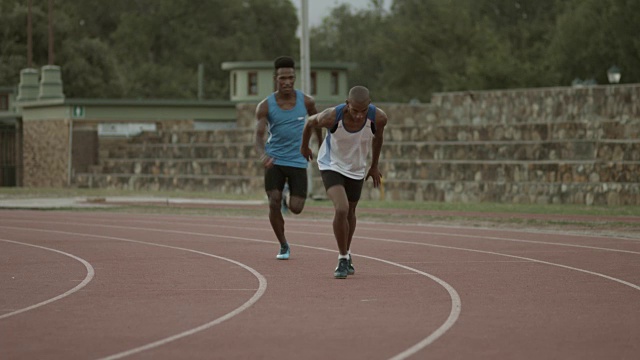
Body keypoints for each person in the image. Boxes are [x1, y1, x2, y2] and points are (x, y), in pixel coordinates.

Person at [300, 86, 387, 279]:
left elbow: (378, 138)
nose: (358, 116)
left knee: (351, 212)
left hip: (356, 168)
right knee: (342, 208)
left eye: (363, 111)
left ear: (369, 106)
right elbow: (309, 122)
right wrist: (305, 146)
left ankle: (347, 253)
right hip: (331, 164)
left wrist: (374, 166)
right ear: (347, 104)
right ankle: (341, 258)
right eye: (355, 111)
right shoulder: (331, 117)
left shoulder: (378, 118)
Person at [255, 56, 322, 260]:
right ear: (276, 78)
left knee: (296, 208)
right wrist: (262, 154)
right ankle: (283, 245)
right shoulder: (265, 106)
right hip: (274, 160)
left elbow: (317, 124)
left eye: (290, 78)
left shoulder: (307, 101)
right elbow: (258, 135)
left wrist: (322, 147)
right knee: (274, 202)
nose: (287, 82)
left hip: (297, 160)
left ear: (295, 78)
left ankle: (286, 196)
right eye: (283, 78)